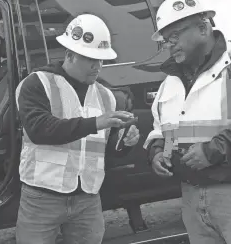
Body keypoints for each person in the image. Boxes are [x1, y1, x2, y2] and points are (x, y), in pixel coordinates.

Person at [144, 0, 231, 244]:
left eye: (174, 35)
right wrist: (157, 152)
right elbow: (161, 129)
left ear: (203, 27)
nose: (170, 44)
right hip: (192, 196)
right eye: (165, 40)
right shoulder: (170, 82)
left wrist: (214, 150)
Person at [15, 14, 140, 244]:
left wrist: (124, 143)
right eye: (90, 58)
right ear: (69, 54)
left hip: (87, 199)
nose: (97, 66)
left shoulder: (106, 95)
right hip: (42, 196)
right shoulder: (37, 83)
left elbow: (106, 152)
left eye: (101, 59)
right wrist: (96, 123)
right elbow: (39, 130)